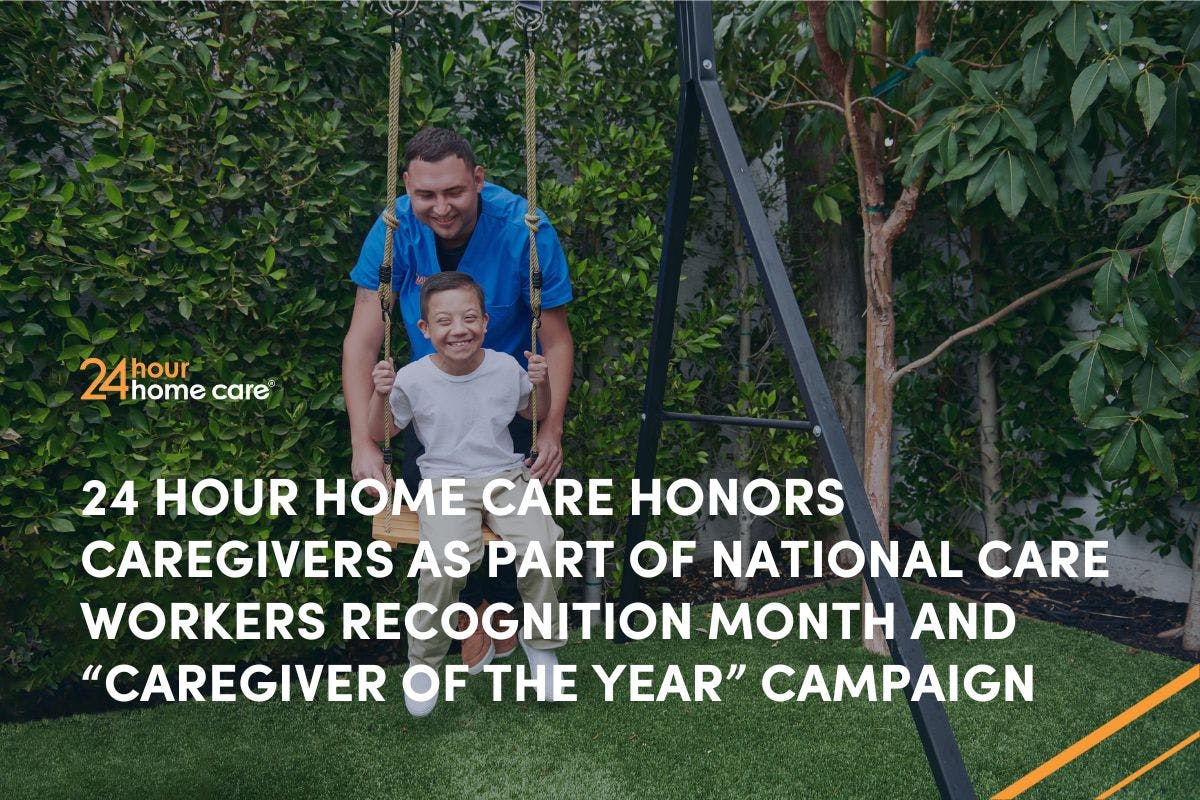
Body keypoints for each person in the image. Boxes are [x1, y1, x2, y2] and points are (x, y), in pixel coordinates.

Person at [341, 127, 574, 666]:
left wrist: (551, 425)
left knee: (520, 516)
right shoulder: (394, 229)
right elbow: (363, 339)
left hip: (509, 391)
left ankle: (505, 618)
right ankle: (470, 619)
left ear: (478, 180)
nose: (440, 207)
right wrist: (363, 441)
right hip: (430, 395)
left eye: (454, 192)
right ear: (407, 187)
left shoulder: (526, 230)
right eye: (426, 195)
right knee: (445, 518)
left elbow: (557, 339)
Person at [367, 272, 566, 717]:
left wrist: (541, 383)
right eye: (444, 321)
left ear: (485, 322)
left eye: (470, 318)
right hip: (445, 484)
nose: (459, 329)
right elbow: (380, 431)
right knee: (445, 562)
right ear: (425, 330)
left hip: (505, 478)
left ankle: (541, 646)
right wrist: (379, 394)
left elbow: (535, 413)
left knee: (544, 546)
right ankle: (425, 662)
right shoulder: (413, 379)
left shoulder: (504, 366)